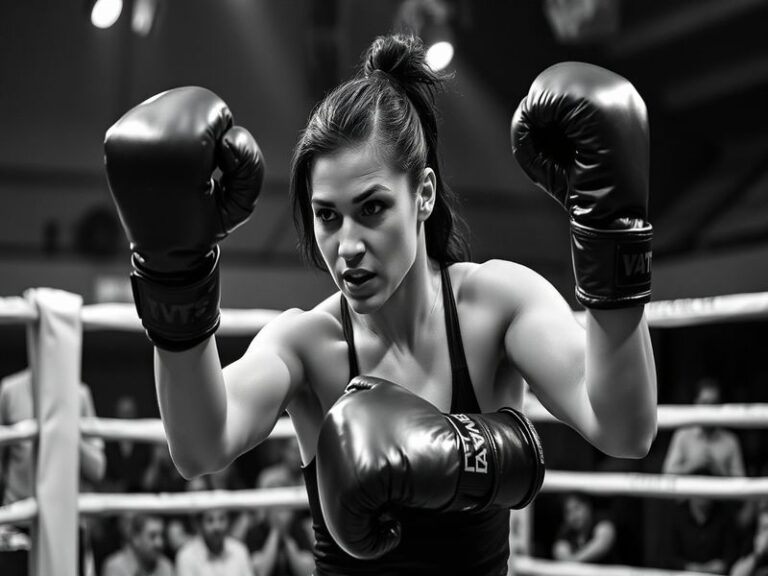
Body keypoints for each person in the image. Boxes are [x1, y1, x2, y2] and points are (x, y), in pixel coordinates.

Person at [104, 33, 657, 575]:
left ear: (424, 195)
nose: (346, 246)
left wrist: (613, 236)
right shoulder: (307, 345)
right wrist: (174, 273)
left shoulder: (497, 306)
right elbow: (199, 447)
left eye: (371, 209)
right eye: (327, 215)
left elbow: (624, 429)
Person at [0, 368, 106, 576]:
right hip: (17, 521)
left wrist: (67, 429)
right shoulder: (10, 391)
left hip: (67, 524)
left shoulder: (79, 394)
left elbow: (97, 469)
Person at [663, 377, 745, 477]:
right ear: (696, 403)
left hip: (718, 492)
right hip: (689, 492)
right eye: (704, 403)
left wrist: (719, 471)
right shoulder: (682, 436)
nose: (709, 409)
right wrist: (692, 466)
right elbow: (667, 473)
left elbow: (741, 481)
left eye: (713, 404)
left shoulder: (730, 441)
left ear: (719, 406)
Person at [246, 463, 315, 576]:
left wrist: (286, 537)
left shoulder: (297, 529)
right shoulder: (255, 531)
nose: (280, 511)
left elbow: (307, 572)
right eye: (276, 505)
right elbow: (261, 572)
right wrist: (276, 531)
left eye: (283, 505)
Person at [665, 468, 738, 574]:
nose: (703, 493)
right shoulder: (677, 515)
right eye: (699, 488)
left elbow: (731, 555)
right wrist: (690, 568)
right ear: (690, 489)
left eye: (706, 488)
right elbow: (668, 557)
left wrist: (721, 565)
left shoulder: (724, 515)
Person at [175, 477, 253, 576]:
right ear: (200, 524)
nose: (217, 527)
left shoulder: (240, 550)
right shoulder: (186, 556)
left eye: (221, 519)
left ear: (228, 521)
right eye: (210, 520)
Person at [552, 492, 616, 565]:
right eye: (568, 512)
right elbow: (560, 552)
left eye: (577, 508)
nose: (573, 516)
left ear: (588, 506)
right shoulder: (566, 530)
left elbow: (602, 543)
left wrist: (574, 561)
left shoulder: (602, 520)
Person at [102, 513, 174, 576]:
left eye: (162, 535)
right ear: (136, 538)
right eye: (152, 536)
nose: (159, 543)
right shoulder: (116, 566)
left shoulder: (166, 566)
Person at [731, 505, 768, 576]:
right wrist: (757, 554)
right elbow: (735, 574)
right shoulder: (753, 543)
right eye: (764, 528)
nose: (767, 534)